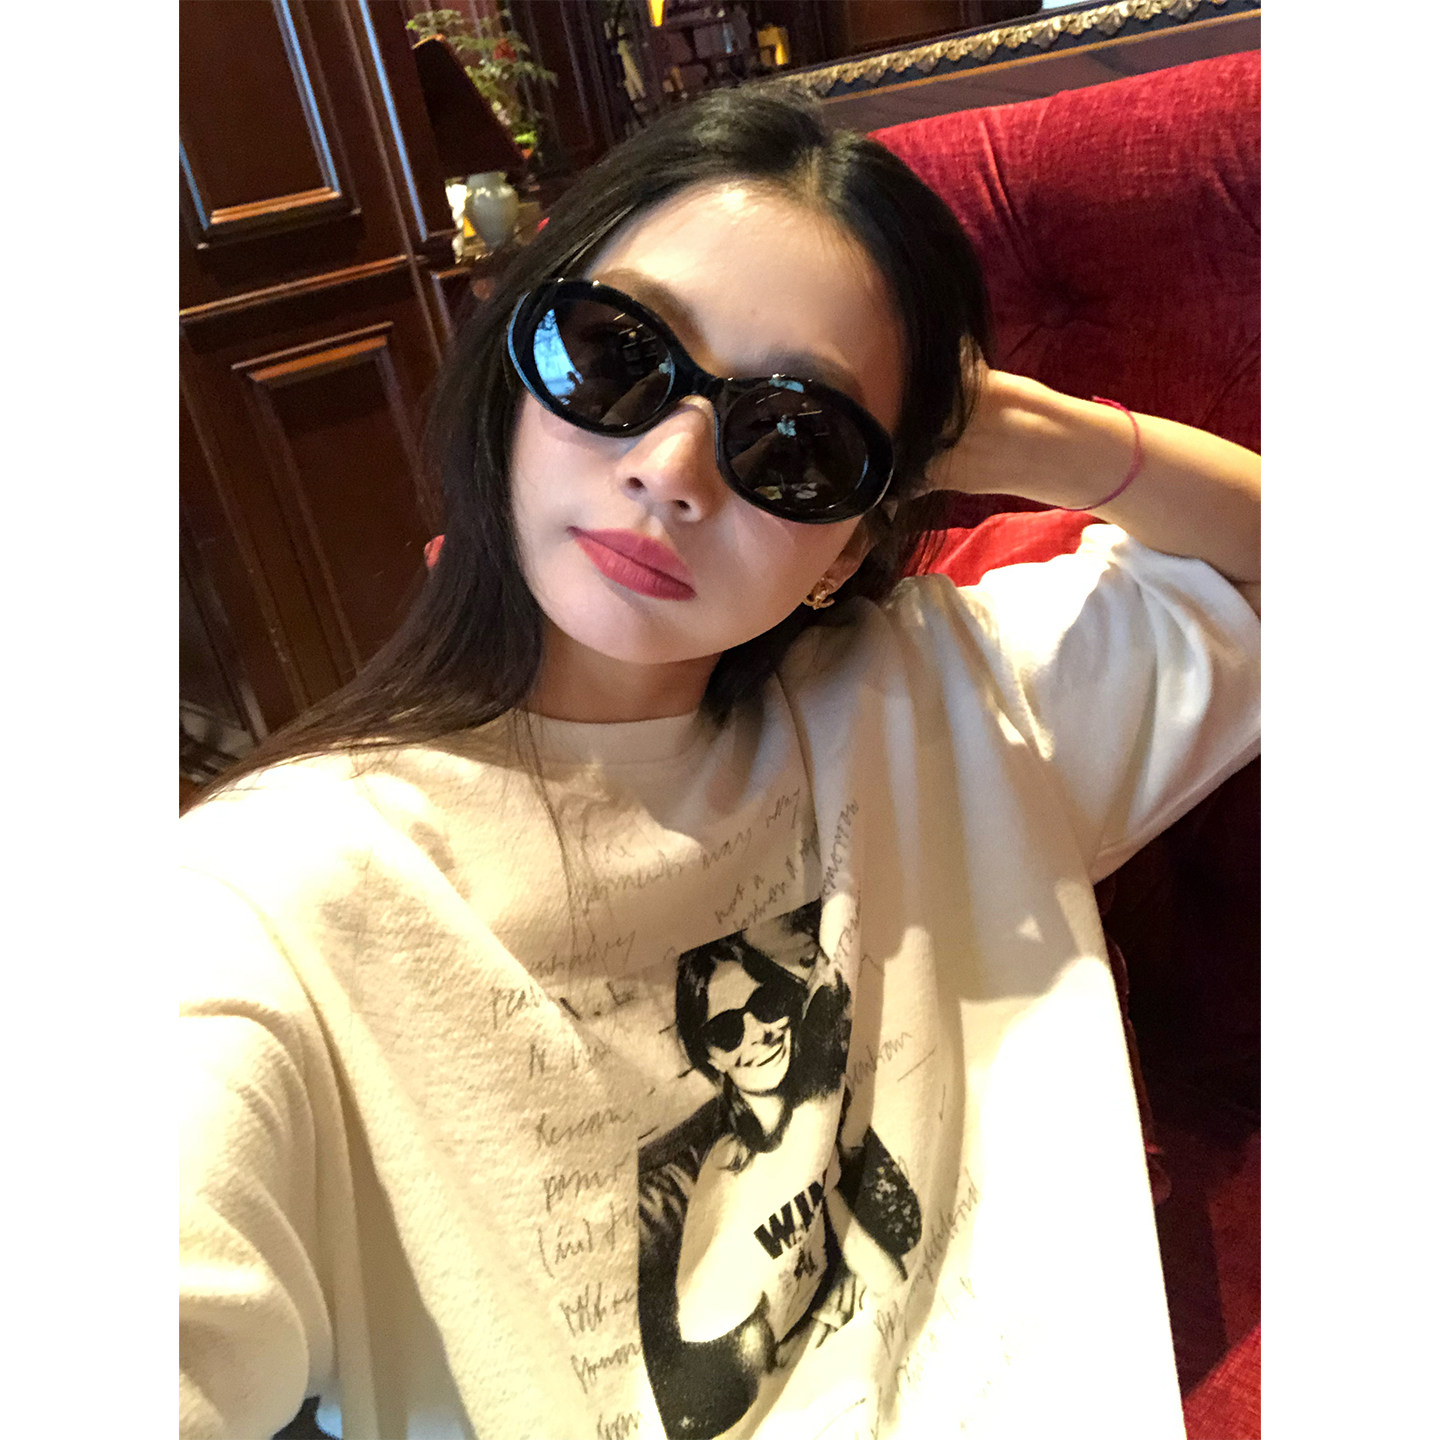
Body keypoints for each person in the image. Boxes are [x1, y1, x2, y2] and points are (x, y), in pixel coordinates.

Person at [179, 86, 1260, 1440]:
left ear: (855, 541)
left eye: (797, 439)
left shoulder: (948, 700)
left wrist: (1029, 435)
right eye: (613, 355)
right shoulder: (272, 901)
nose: (672, 467)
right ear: (512, 373)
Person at [637, 909, 920, 1438]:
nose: (758, 1035)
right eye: (726, 1030)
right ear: (711, 1057)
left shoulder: (818, 1122)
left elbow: (889, 1279)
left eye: (765, 1005)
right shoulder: (730, 1173)